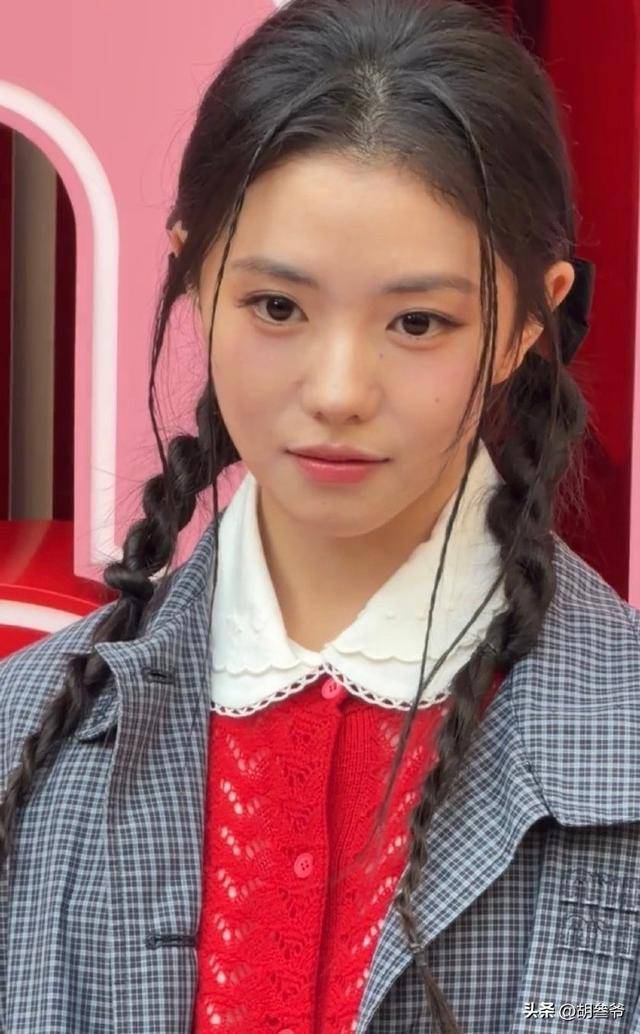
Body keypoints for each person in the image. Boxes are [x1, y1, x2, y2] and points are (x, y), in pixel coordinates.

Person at [0, 0, 636, 1031]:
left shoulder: (618, 731)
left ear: (531, 314)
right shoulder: (20, 730)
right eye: (278, 307)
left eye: (417, 321)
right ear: (194, 274)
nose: (338, 391)